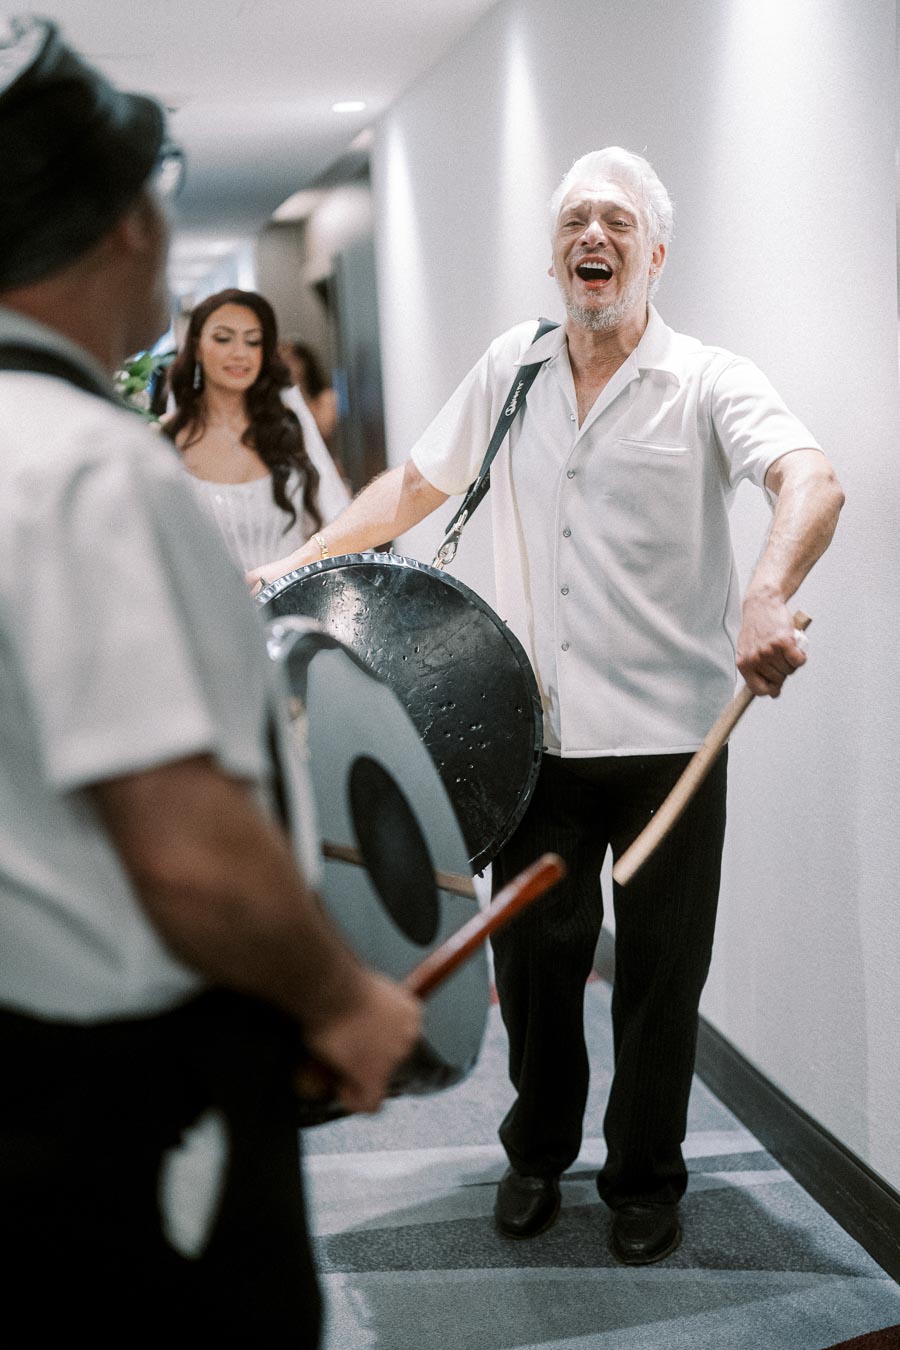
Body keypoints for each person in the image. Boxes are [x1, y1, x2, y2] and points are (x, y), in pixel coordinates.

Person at [246, 147, 844, 1265]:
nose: (592, 238)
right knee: (533, 973)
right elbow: (414, 487)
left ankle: (646, 1178)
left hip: (672, 745)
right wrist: (299, 564)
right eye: (574, 221)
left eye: (616, 221)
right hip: (535, 742)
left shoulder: (706, 378)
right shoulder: (511, 367)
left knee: (660, 979)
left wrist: (768, 592)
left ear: (655, 254)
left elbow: (810, 478)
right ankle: (536, 1154)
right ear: (555, 253)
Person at [0, 16, 419, 1339]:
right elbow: (183, 846)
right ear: (130, 225)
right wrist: (340, 997)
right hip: (118, 1096)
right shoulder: (89, 466)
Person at [165, 289, 350, 577]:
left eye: (253, 341)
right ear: (197, 347)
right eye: (223, 338)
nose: (240, 353)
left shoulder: (289, 427)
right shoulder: (165, 439)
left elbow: (334, 514)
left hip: (295, 597)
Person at [280, 338, 340, 449]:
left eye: (292, 360)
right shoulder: (280, 396)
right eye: (282, 361)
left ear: (305, 362)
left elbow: (324, 430)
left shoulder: (326, 396)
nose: (287, 365)